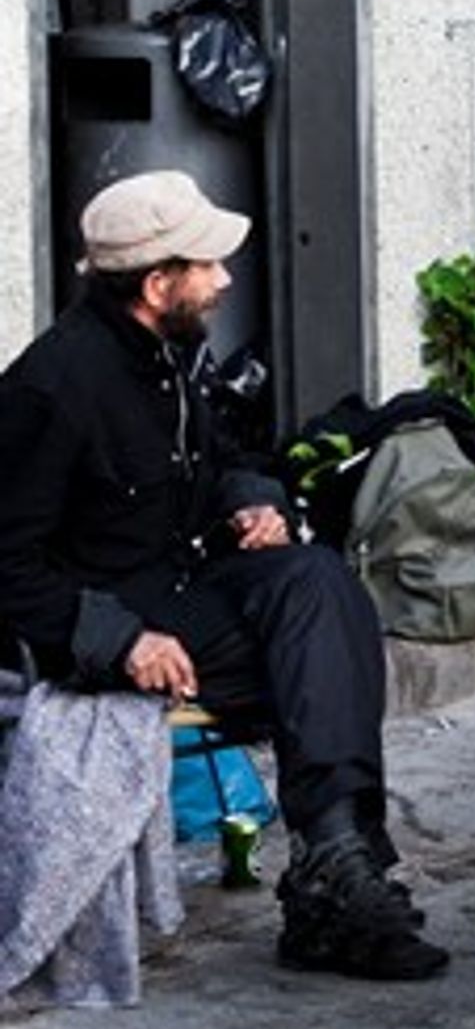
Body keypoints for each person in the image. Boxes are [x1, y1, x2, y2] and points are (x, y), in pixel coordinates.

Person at [0, 171, 449, 981]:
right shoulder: (52, 386)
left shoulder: (172, 360)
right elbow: (7, 564)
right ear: (156, 281)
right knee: (321, 655)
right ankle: (334, 887)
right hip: (115, 619)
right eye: (206, 265)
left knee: (318, 583)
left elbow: (225, 465)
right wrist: (117, 639)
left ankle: (334, 861)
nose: (224, 279)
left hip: (186, 588)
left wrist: (251, 500)